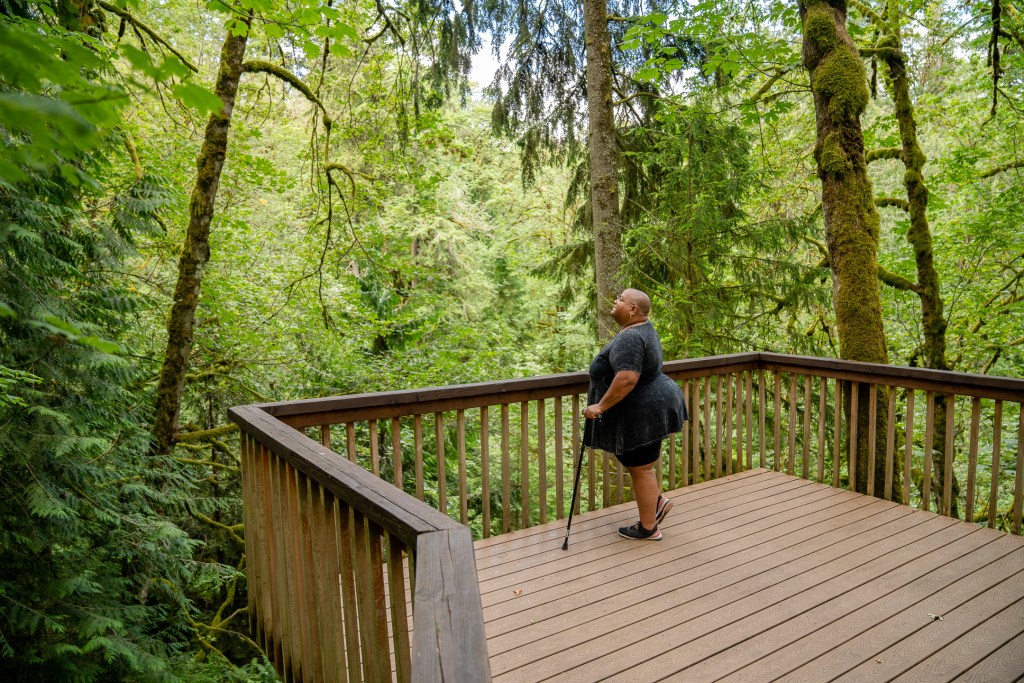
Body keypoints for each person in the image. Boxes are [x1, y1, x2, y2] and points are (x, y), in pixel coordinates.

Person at [583, 289, 687, 540]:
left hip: (643, 411)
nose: (615, 301)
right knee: (641, 466)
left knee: (640, 468)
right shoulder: (640, 330)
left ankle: (649, 527)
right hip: (651, 407)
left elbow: (628, 377)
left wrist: (600, 406)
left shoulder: (631, 338)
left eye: (620, 299)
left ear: (632, 309)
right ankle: (657, 502)